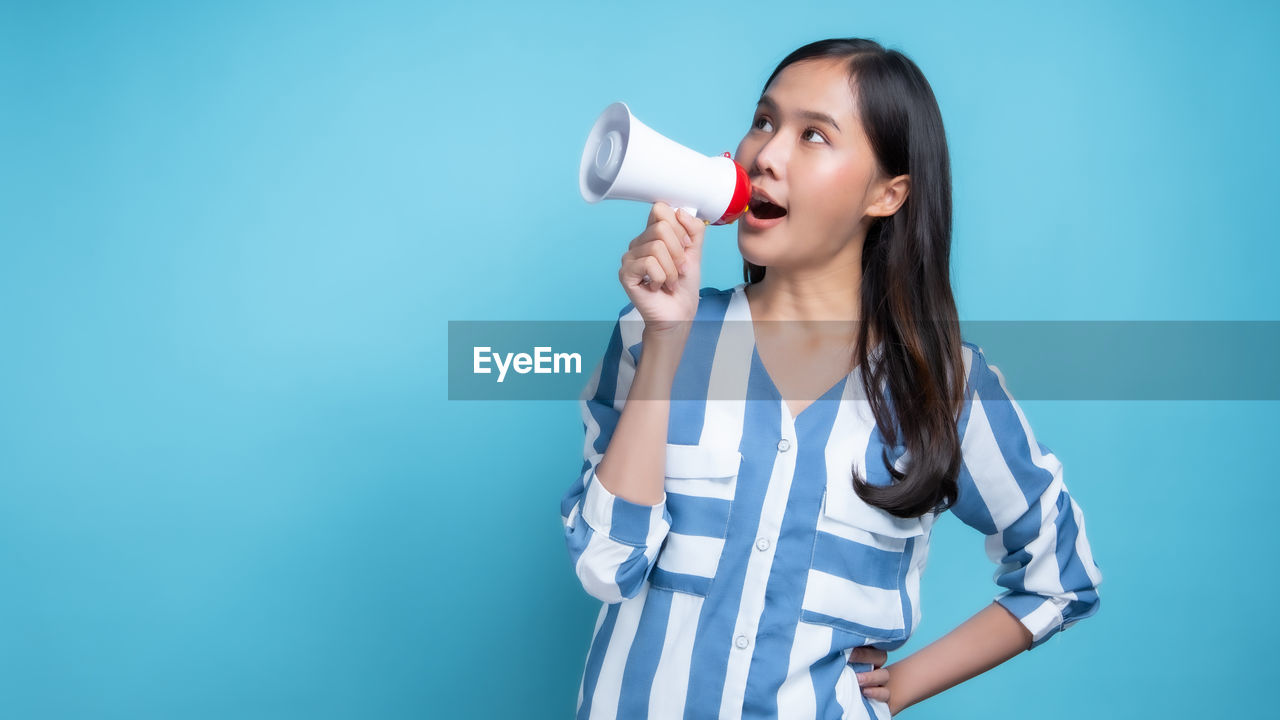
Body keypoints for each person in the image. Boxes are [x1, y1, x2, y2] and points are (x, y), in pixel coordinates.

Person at [559, 37, 1103, 720]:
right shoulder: (651, 335)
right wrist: (669, 339)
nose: (766, 154)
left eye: (813, 135)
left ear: (887, 193)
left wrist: (902, 685)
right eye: (764, 121)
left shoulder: (948, 389)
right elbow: (606, 565)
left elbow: (1061, 578)